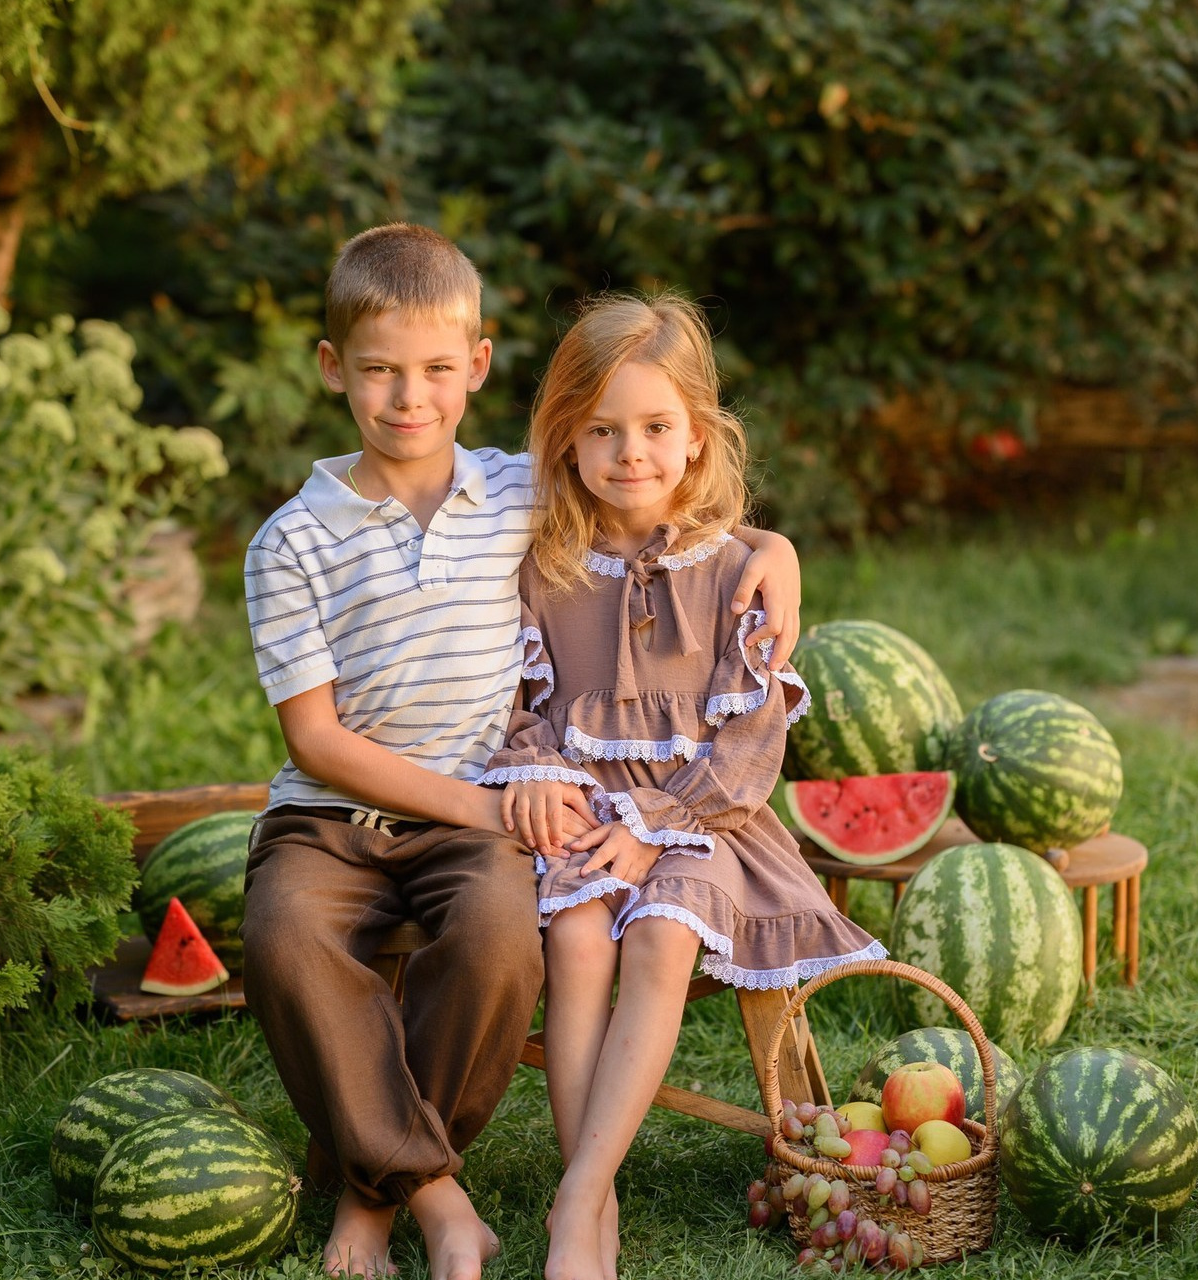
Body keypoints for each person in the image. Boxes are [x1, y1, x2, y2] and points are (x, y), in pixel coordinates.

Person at [241, 224, 804, 1280]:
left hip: (488, 815)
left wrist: (775, 551)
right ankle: (425, 1192)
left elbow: (667, 513)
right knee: (280, 935)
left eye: (436, 371)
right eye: (378, 371)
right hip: (340, 813)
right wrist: (493, 806)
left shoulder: (515, 492)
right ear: (332, 370)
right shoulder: (289, 541)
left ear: (477, 368)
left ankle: (390, 1188)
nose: (410, 397)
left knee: (504, 942)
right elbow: (312, 737)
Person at [478, 291, 889, 1280]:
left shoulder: (737, 568)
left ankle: (573, 1191)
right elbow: (520, 698)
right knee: (576, 938)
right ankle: (599, 1197)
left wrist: (660, 822)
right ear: (565, 440)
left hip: (710, 821)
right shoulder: (544, 567)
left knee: (658, 938)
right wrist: (540, 769)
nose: (631, 453)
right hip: (584, 807)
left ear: (698, 438)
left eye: (657, 427)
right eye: (602, 430)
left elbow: (749, 744)